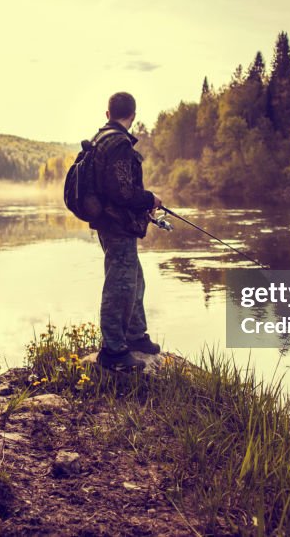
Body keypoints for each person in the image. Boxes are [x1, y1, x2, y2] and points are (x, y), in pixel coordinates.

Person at [90, 92, 162, 371]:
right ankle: (113, 352)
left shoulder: (100, 139)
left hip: (109, 222)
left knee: (134, 278)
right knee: (120, 285)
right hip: (117, 224)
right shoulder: (118, 143)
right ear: (132, 115)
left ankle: (135, 335)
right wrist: (150, 199)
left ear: (108, 113)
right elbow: (123, 192)